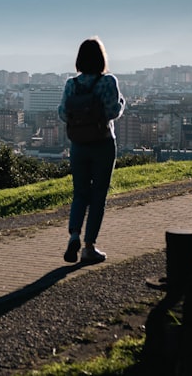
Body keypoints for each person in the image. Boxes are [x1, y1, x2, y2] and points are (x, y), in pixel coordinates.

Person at [58, 36, 126, 264]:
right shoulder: (108, 82)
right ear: (101, 58)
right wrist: (123, 103)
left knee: (80, 193)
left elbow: (63, 113)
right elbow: (113, 111)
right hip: (103, 143)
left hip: (78, 145)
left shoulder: (71, 84)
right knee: (98, 196)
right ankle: (89, 246)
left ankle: (74, 235)